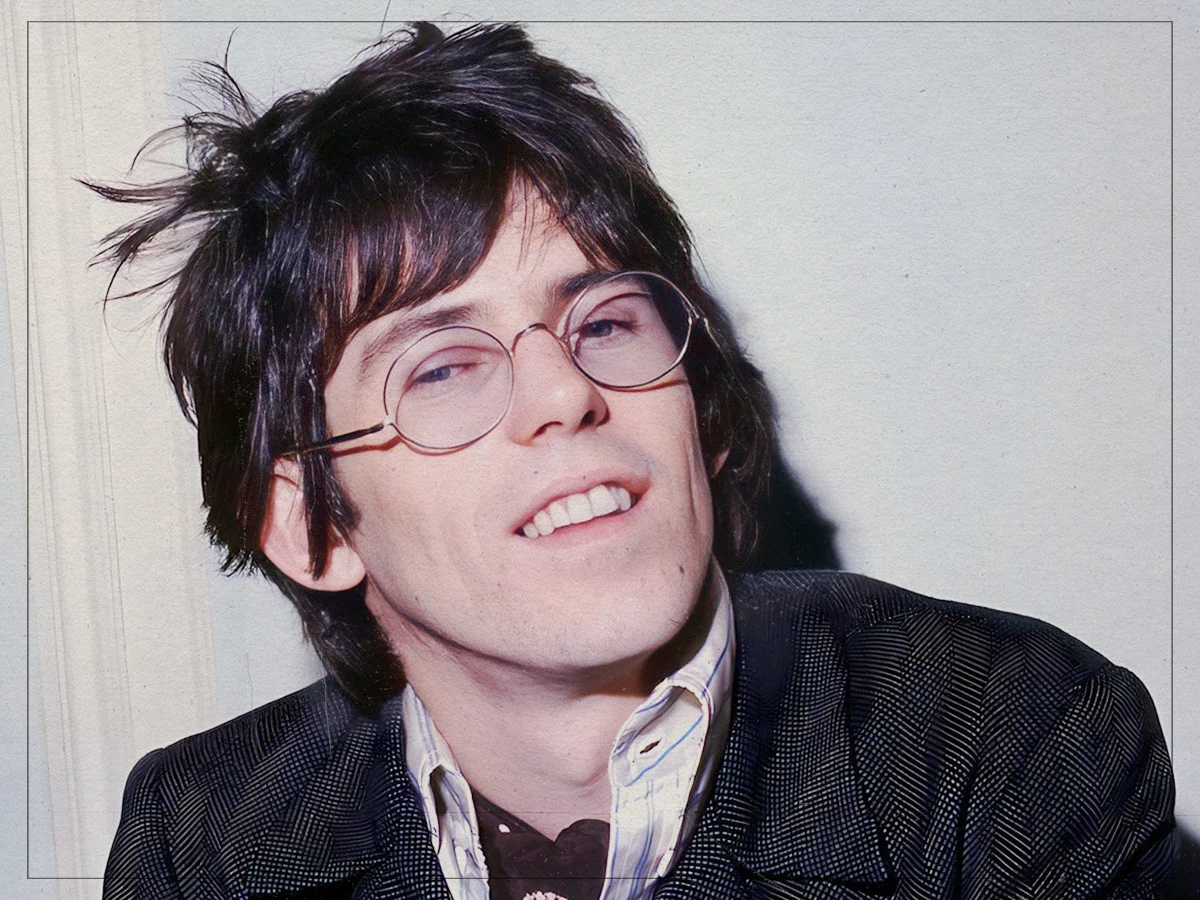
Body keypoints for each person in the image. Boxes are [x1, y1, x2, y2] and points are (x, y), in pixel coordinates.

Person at [95, 22, 1175, 900]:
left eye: (606, 322)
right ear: (311, 524)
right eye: (442, 367)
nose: (565, 391)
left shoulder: (1009, 740)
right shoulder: (203, 843)